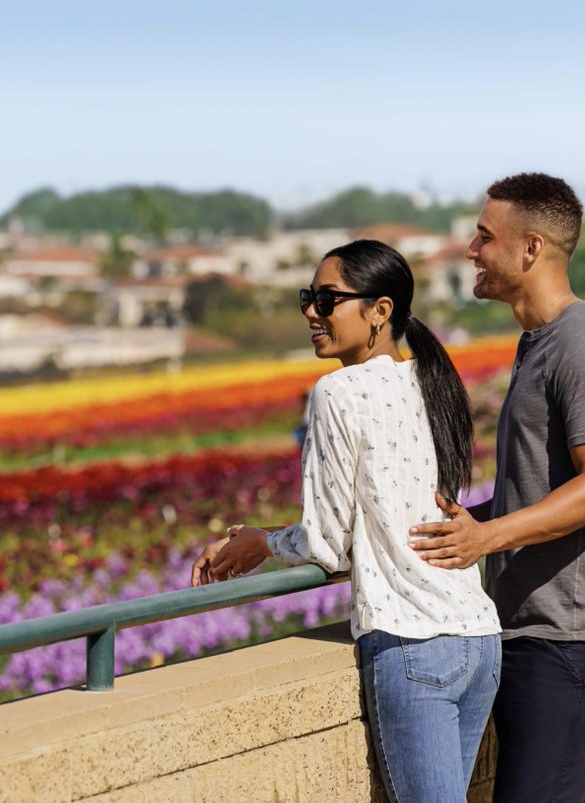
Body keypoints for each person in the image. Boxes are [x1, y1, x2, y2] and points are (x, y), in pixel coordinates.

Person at [192, 239, 501, 802]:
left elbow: (328, 544)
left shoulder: (337, 390)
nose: (312, 311)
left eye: (328, 299)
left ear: (380, 311)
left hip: (413, 639)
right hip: (479, 637)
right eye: (308, 297)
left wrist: (261, 541)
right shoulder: (434, 378)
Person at [408, 173, 585, 803]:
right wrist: (465, 524)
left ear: (531, 249)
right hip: (541, 637)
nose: (471, 250)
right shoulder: (539, 343)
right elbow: (544, 490)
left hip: (575, 643)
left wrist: (486, 536)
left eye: (485, 237)